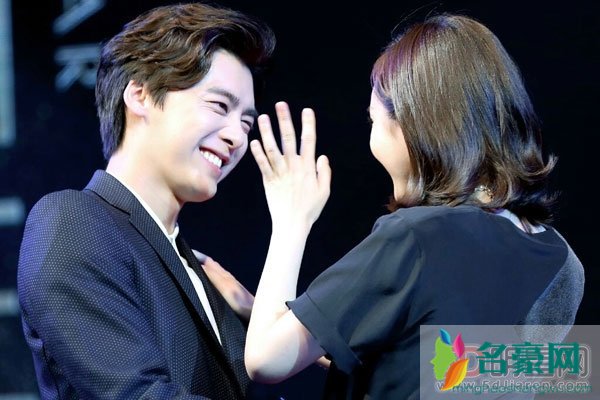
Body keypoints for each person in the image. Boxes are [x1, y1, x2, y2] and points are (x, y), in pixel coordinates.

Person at [243, 14, 585, 399]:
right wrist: (277, 314)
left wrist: (292, 219)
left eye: (373, 119)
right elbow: (456, 375)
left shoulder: (418, 236)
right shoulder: (565, 264)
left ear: (413, 123)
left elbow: (265, 360)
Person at [17, 3, 275, 399]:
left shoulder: (200, 271)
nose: (237, 137)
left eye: (246, 123)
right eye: (219, 106)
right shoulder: (74, 223)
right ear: (140, 95)